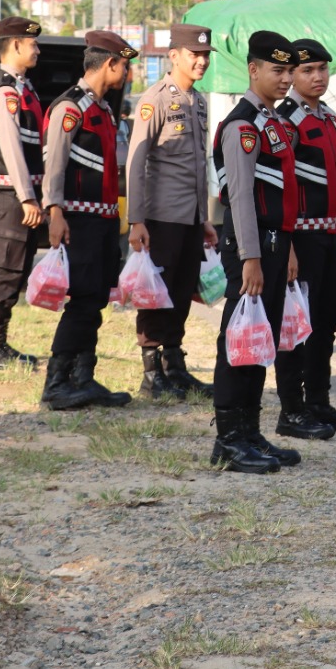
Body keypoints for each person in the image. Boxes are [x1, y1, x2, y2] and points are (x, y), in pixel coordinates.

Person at [211, 30, 321, 474]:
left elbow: (281, 195)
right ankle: (229, 439)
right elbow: (239, 198)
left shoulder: (272, 122)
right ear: (253, 69)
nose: (285, 78)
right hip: (251, 245)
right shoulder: (243, 125)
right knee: (238, 341)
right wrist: (250, 259)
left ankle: (250, 430)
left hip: (275, 243)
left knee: (262, 340)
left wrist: (288, 246)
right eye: (277, 70)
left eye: (288, 70)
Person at [38, 31, 137, 411]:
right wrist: (55, 213)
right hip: (78, 220)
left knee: (95, 298)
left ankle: (84, 377)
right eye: (124, 65)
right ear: (109, 64)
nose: (127, 72)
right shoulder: (71, 107)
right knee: (80, 301)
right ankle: (57, 382)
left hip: (103, 221)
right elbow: (55, 166)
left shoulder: (103, 108)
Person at [126, 23, 220, 402]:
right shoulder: (155, 100)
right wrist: (136, 220)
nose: (201, 61)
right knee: (156, 295)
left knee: (181, 293)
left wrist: (204, 217)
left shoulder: (198, 101)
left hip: (190, 218)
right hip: (161, 218)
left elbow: (198, 165)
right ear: (174, 56)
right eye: (194, 54)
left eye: (205, 55)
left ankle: (175, 368)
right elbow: (136, 162)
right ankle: (151, 375)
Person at [274, 37, 336, 435]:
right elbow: (280, 186)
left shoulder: (326, 117)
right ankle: (291, 410)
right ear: (290, 75)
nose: (317, 76)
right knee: (296, 327)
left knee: (325, 322)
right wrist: (286, 244)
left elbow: (335, 183)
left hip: (328, 237)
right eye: (307, 70)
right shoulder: (286, 120)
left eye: (322, 68)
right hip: (299, 239)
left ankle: (319, 403)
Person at [0, 16, 47, 372]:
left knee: (16, 268)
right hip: (10, 194)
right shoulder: (6, 90)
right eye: (32, 43)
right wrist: (27, 197)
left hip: (19, 192)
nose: (37, 49)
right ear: (15, 45)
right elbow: (11, 147)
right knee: (4, 267)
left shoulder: (23, 87)